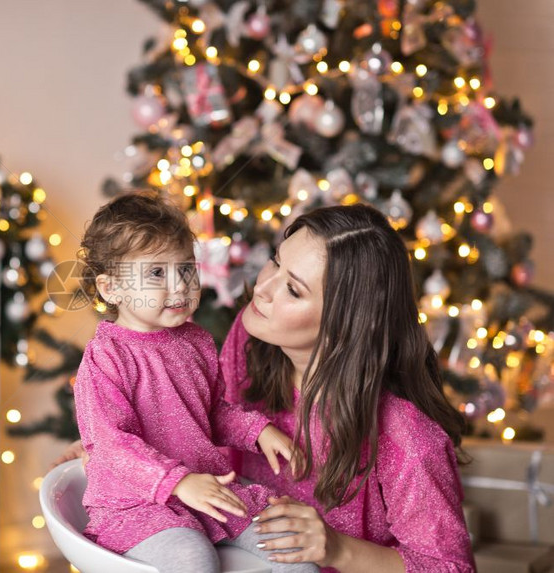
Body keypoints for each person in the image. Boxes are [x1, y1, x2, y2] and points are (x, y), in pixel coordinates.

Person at [55, 203, 475, 573]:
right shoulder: (251, 340)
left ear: (344, 325)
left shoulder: (408, 438)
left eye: (293, 289)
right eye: (275, 262)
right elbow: (191, 420)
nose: (263, 288)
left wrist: (340, 550)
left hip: (235, 528)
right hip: (185, 518)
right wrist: (120, 450)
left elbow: (450, 568)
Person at [73, 191, 318, 573]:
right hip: (138, 502)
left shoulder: (197, 340)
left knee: (293, 549)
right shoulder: (107, 356)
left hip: (204, 485)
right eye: (156, 273)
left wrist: (258, 431)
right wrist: (177, 482)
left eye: (185, 269)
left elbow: (213, 411)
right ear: (110, 289)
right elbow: (112, 444)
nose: (179, 286)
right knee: (193, 560)